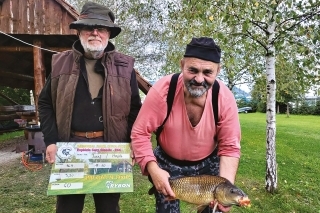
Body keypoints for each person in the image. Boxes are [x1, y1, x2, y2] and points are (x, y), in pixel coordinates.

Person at [38, 2, 141, 213]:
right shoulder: (60, 63)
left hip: (110, 148)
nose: (95, 33)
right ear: (79, 32)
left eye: (101, 28)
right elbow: (45, 103)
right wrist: (50, 141)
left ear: (109, 34)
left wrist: (132, 143)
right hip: (70, 148)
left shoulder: (125, 67)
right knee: (67, 209)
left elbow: (134, 109)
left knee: (108, 209)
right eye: (89, 27)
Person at [131, 37, 241, 213]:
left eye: (207, 72)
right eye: (192, 70)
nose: (199, 79)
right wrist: (153, 170)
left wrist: (224, 188)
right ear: (182, 65)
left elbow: (229, 147)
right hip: (166, 163)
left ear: (218, 71)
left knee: (215, 211)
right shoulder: (163, 91)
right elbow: (140, 133)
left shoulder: (224, 98)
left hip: (208, 165)